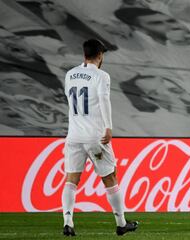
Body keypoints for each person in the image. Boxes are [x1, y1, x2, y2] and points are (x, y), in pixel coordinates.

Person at [62, 39, 138, 236]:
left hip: (74, 136)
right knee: (110, 177)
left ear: (84, 54)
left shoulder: (69, 74)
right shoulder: (101, 75)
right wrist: (108, 127)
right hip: (95, 136)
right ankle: (121, 223)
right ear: (100, 55)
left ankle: (68, 221)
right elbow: (104, 100)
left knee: (72, 179)